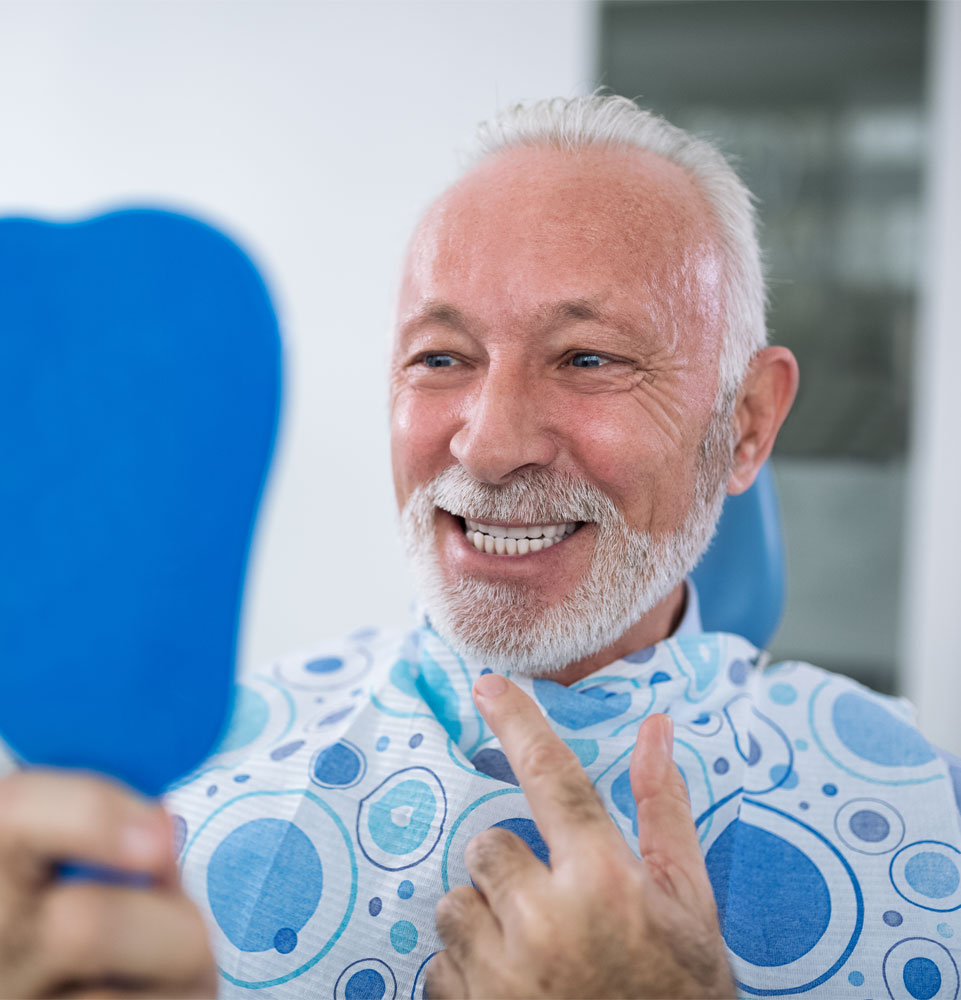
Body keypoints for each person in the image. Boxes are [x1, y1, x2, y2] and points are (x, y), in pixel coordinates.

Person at [1, 95, 959, 1000]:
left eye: (588, 359)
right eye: (441, 358)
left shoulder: (928, 821)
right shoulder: (169, 813)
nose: (490, 445)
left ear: (745, 424)